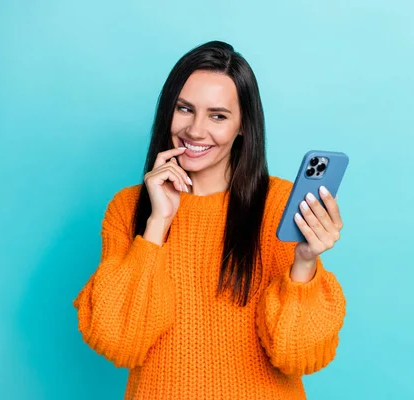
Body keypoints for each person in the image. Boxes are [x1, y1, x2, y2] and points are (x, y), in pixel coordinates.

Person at [73, 40, 346, 400]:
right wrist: (158, 223)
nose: (196, 131)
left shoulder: (279, 204)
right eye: (184, 109)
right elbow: (118, 340)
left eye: (218, 116)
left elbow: (296, 355)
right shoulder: (129, 208)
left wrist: (305, 263)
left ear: (243, 126)